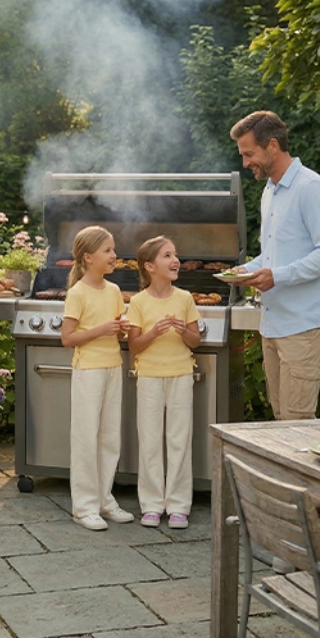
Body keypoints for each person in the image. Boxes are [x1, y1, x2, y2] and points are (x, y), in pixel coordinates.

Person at [230, 111, 320, 421]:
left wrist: (277, 276)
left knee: (296, 423)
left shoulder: (310, 188)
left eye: (249, 154)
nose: (246, 163)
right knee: (280, 421)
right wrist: (248, 270)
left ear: (272, 145)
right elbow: (274, 256)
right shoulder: (270, 192)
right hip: (273, 325)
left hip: (303, 325)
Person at [61, 225, 133, 531]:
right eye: (108, 251)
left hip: (112, 367)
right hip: (88, 370)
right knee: (86, 438)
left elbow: (117, 323)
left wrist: (123, 327)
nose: (114, 255)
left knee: (109, 437)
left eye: (114, 250)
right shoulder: (77, 293)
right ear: (88, 257)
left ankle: (105, 499)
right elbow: (67, 338)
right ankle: (84, 507)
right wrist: (103, 329)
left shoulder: (114, 291)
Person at [127, 236, 200, 529]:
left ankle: (179, 505)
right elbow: (134, 345)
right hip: (149, 378)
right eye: (167, 255)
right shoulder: (138, 302)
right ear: (149, 266)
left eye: (176, 254)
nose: (175, 260)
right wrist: (154, 332)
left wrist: (183, 332)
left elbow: (195, 340)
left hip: (181, 375)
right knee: (150, 440)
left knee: (179, 440)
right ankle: (152, 505)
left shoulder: (185, 299)